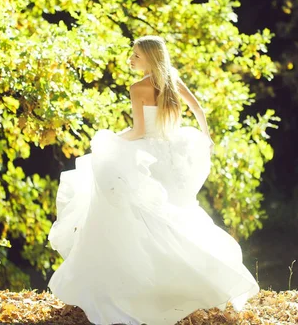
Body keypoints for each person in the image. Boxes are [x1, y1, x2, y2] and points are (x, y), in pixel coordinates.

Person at [47, 35, 259, 325]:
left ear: (148, 57)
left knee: (125, 213)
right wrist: (206, 137)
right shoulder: (172, 80)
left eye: (135, 55)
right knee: (171, 220)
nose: (131, 60)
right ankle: (181, 283)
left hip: (146, 155)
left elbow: (138, 132)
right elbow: (197, 110)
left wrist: (109, 139)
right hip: (170, 154)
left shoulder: (138, 88)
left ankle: (133, 289)